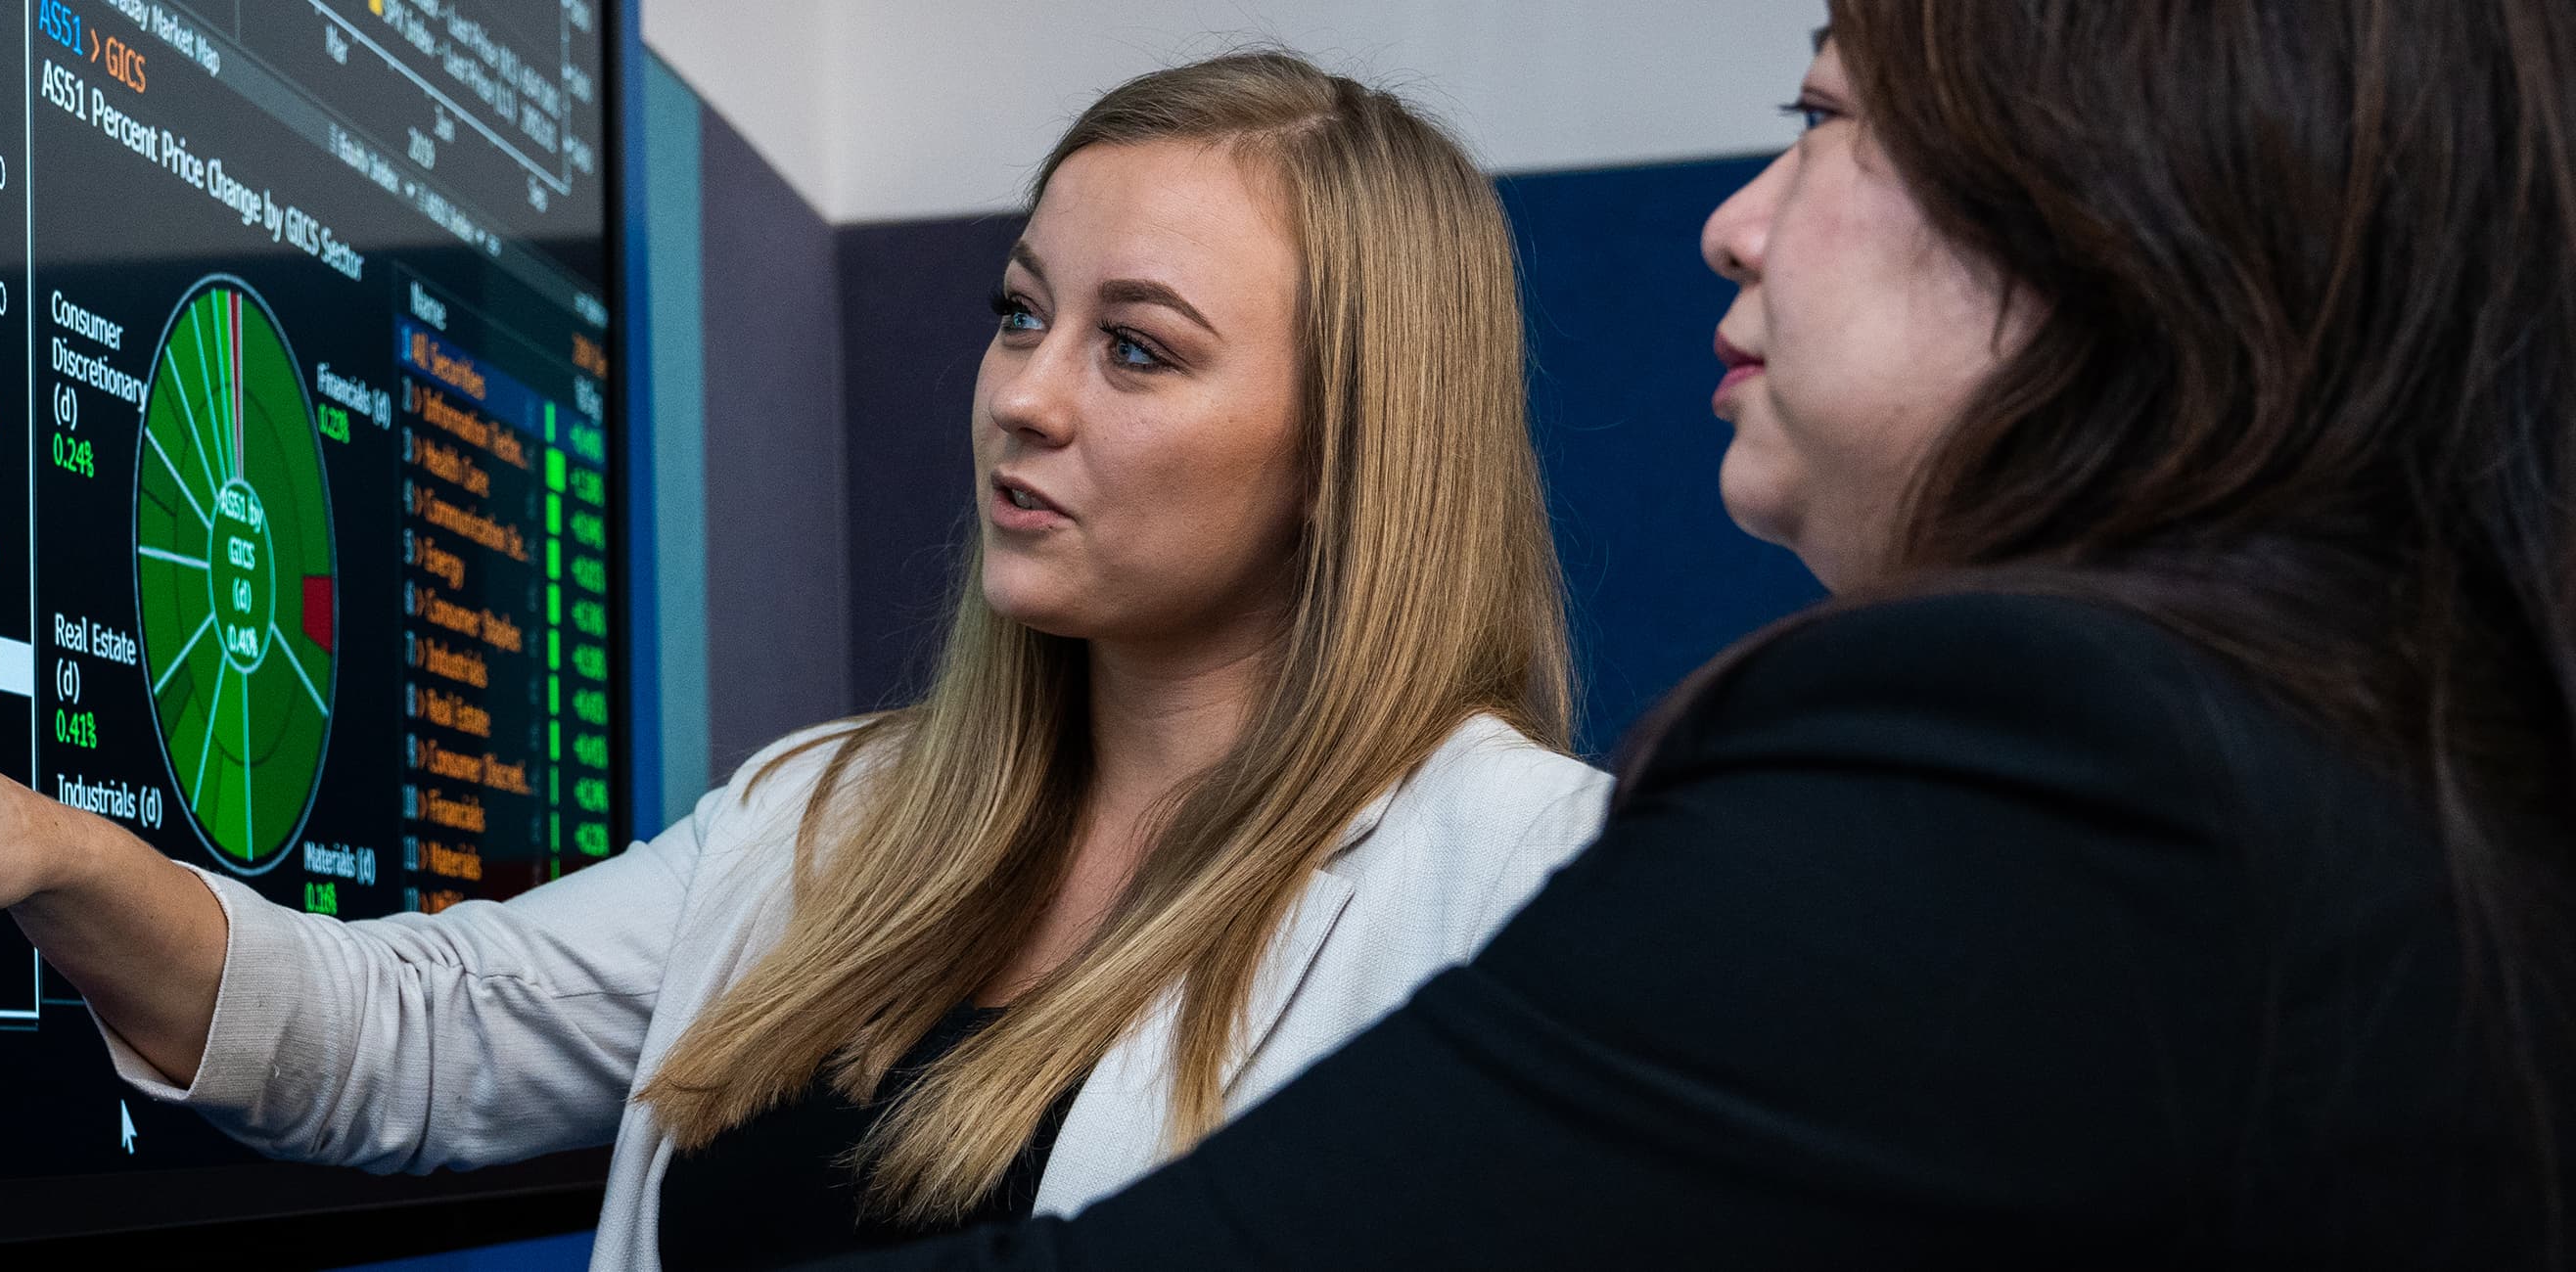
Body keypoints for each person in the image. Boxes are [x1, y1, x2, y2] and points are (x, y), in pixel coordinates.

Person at [0, 51, 1606, 1271]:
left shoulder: (1522, 880)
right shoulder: (837, 819)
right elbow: (417, 1031)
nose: (1022, 396)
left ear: (1360, 436)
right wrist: (61, 854)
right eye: (1018, 310)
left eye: (1138, 347)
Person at [808, 2, 2576, 1268]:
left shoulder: (2046, 765)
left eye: (1822, 121)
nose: (1736, 222)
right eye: (1020, 316)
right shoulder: (2406, 758)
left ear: (2112, 197)